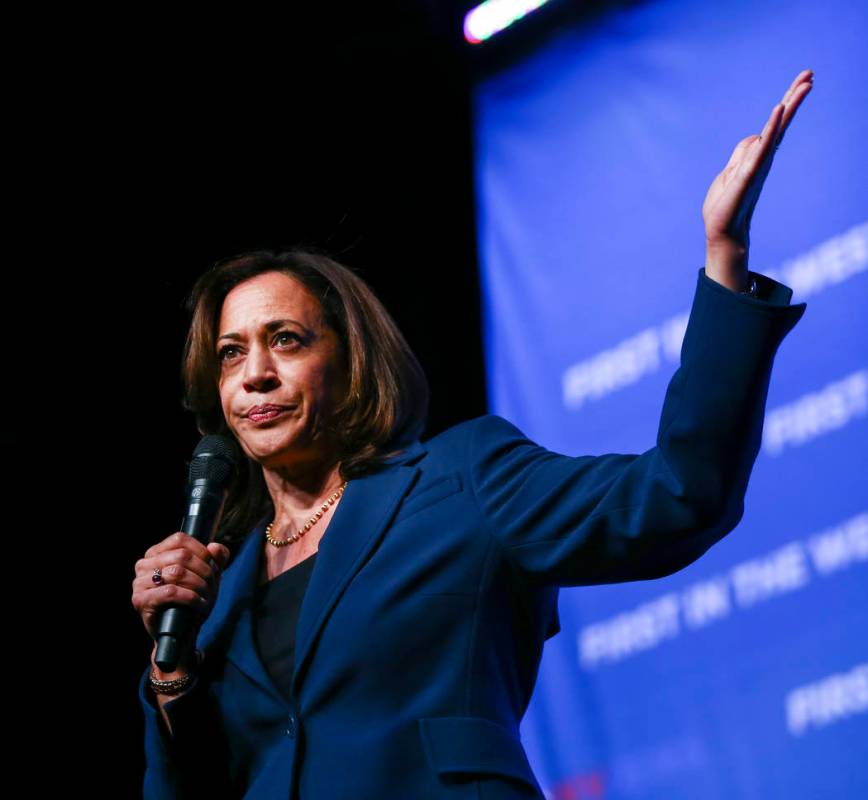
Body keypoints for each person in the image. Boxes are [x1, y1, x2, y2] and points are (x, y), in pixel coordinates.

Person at [132, 70, 814, 799]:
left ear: (350, 361)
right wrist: (172, 671)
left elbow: (680, 495)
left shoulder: (462, 480)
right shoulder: (219, 588)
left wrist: (724, 257)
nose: (253, 375)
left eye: (287, 340)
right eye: (231, 353)